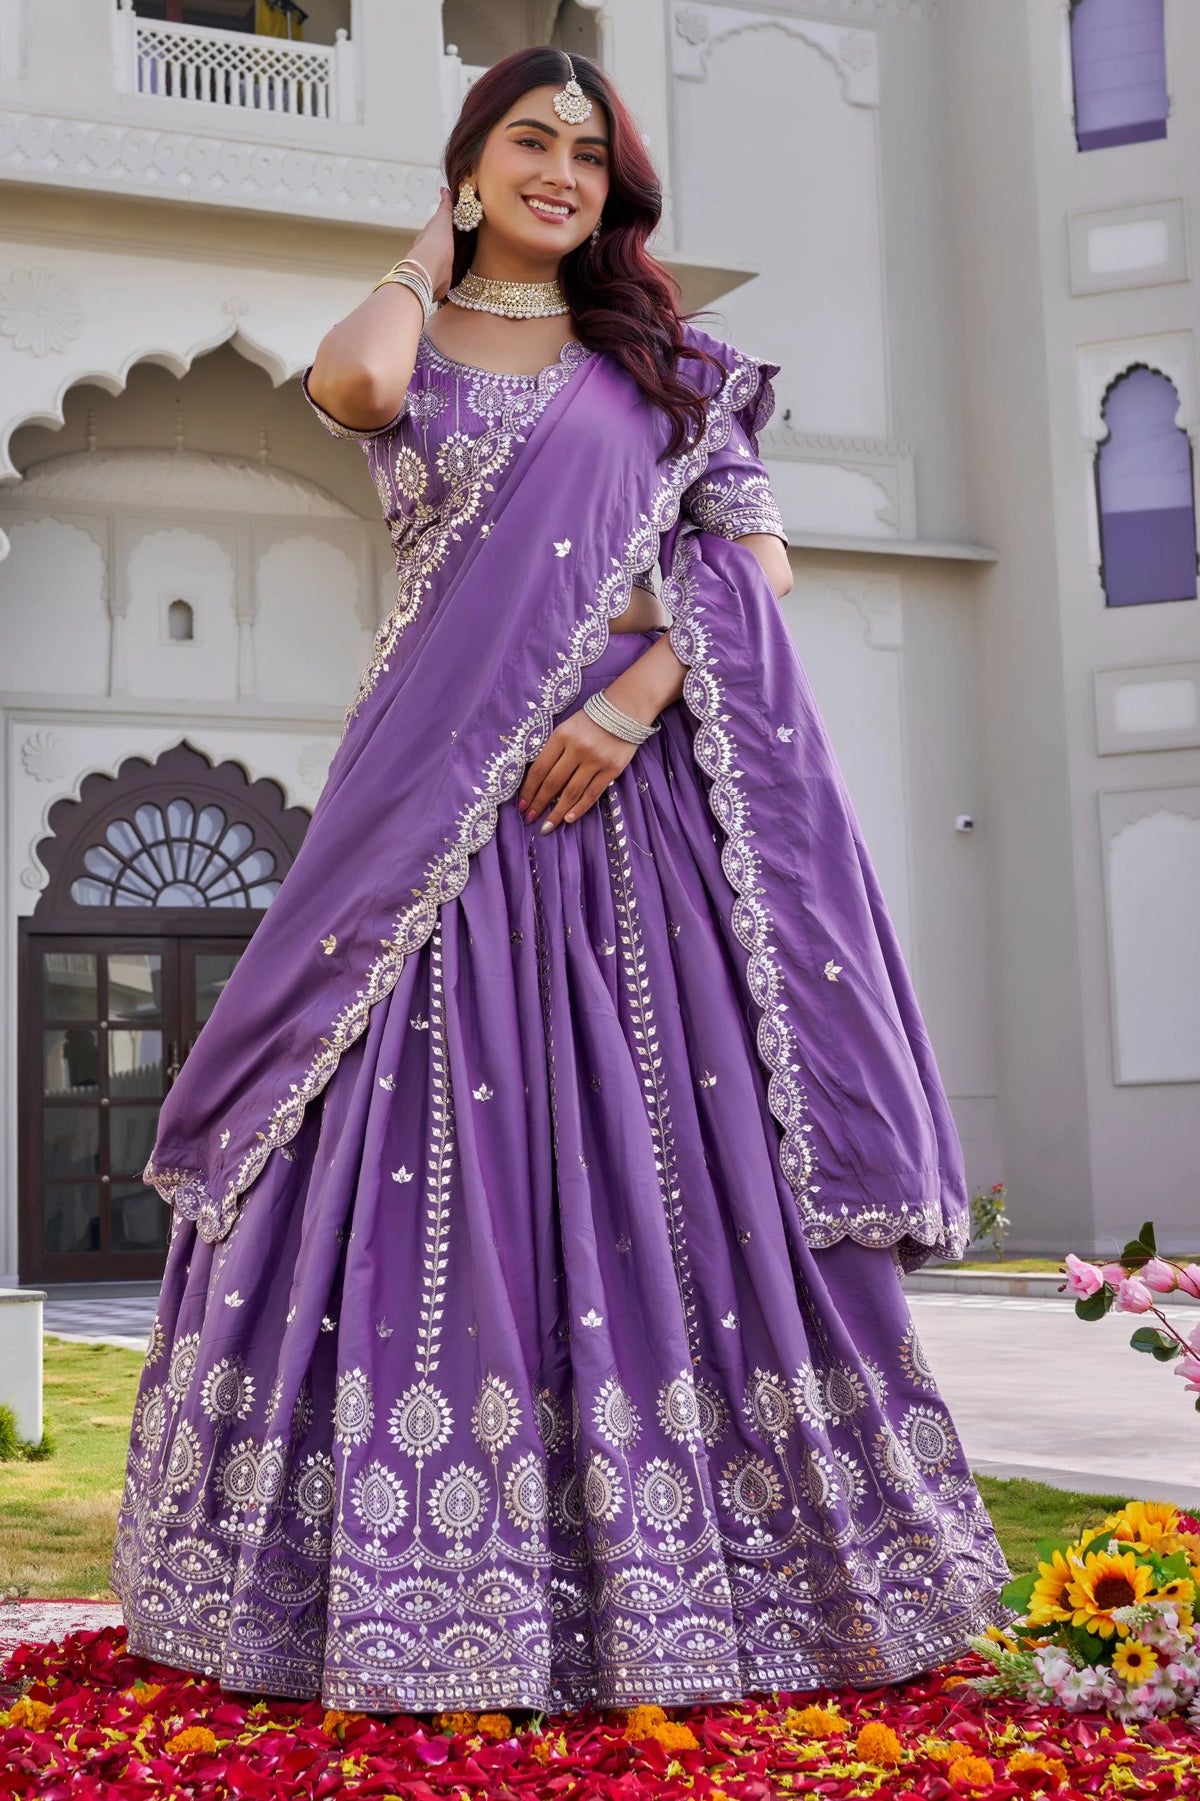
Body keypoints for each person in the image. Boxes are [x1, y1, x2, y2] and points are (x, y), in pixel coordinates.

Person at [113, 46, 1011, 1716]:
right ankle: (404, 1580)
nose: (561, 174)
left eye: (590, 157)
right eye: (529, 142)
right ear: (470, 166)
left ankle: (718, 1574)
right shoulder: (415, 340)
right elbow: (356, 384)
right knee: (397, 1137)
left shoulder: (666, 366)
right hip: (427, 811)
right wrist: (429, 249)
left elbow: (753, 566)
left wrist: (628, 694)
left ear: (618, 190)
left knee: (669, 1135)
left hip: (626, 807)